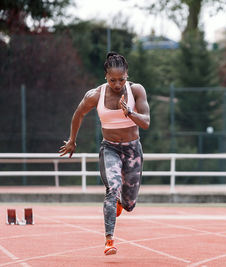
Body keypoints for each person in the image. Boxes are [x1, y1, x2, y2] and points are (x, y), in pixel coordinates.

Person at [59, 52, 150, 256]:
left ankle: (120, 204)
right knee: (113, 187)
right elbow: (78, 114)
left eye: (121, 79)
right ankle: (109, 239)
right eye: (112, 80)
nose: (117, 84)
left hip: (133, 149)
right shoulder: (95, 95)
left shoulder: (136, 90)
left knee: (129, 205)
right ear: (105, 77)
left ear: (127, 75)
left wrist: (130, 113)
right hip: (110, 148)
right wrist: (72, 140)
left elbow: (146, 123)